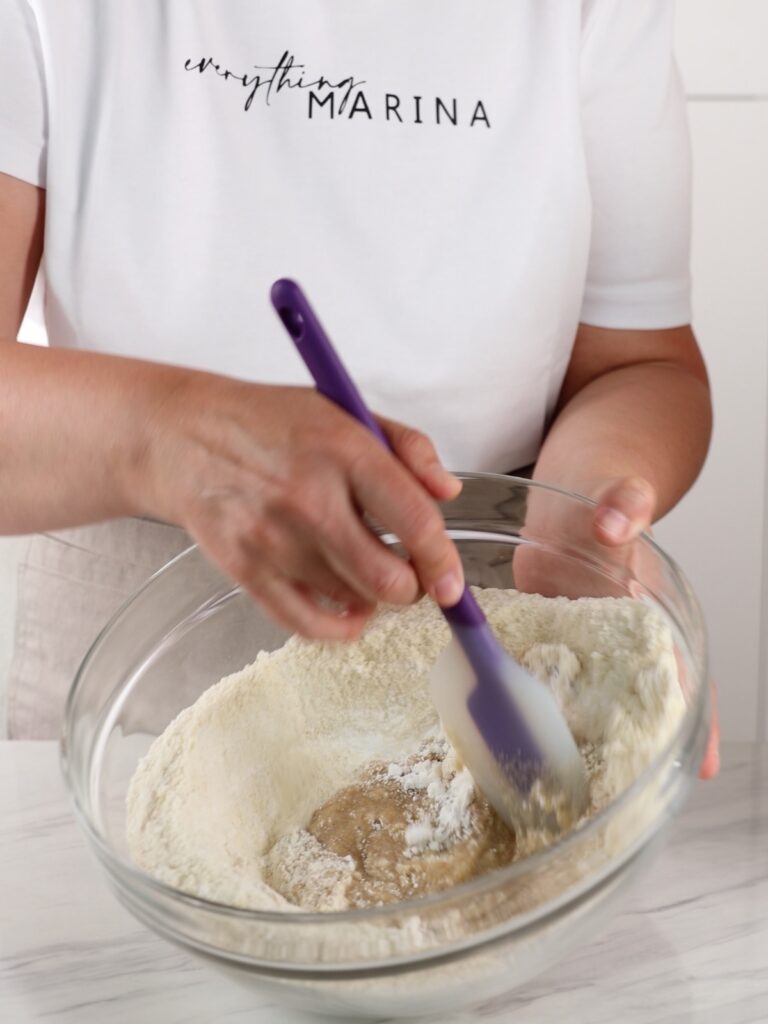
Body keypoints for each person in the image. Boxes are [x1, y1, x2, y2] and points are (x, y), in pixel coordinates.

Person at [0, 0, 718, 772]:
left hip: (495, 605)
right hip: (133, 625)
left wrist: (579, 518)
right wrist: (172, 440)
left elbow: (638, 364)